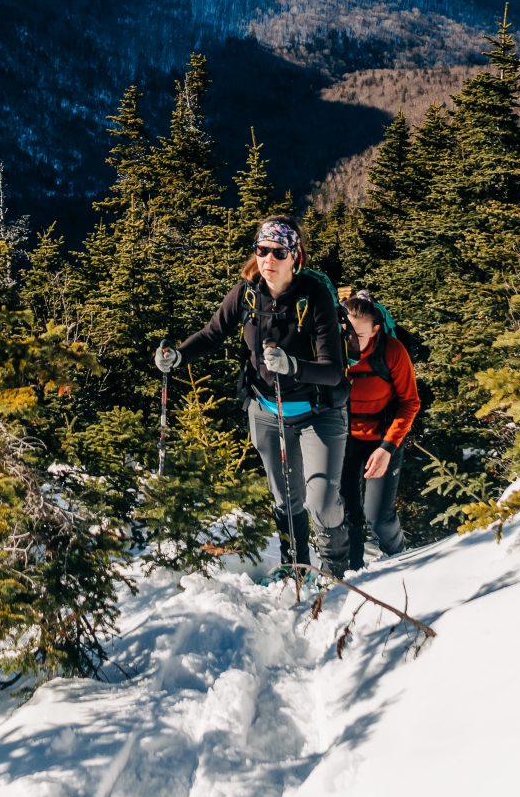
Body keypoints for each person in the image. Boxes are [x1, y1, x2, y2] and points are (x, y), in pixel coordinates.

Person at [157, 217, 348, 579]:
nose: (268, 259)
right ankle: (296, 568)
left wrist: (293, 366)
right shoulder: (246, 293)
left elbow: (333, 369)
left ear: (295, 257)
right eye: (262, 250)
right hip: (266, 410)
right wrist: (178, 355)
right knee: (286, 499)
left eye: (278, 252)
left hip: (317, 412)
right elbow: (213, 333)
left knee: (320, 501)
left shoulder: (315, 297)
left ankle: (337, 569)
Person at [335, 289, 420, 572]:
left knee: (378, 517)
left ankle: (401, 559)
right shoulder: (333, 349)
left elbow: (410, 403)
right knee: (348, 514)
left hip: (383, 441)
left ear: (375, 330)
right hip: (344, 439)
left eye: (359, 336)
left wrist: (387, 448)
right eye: (347, 333)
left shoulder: (392, 352)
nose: (351, 341)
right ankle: (354, 572)